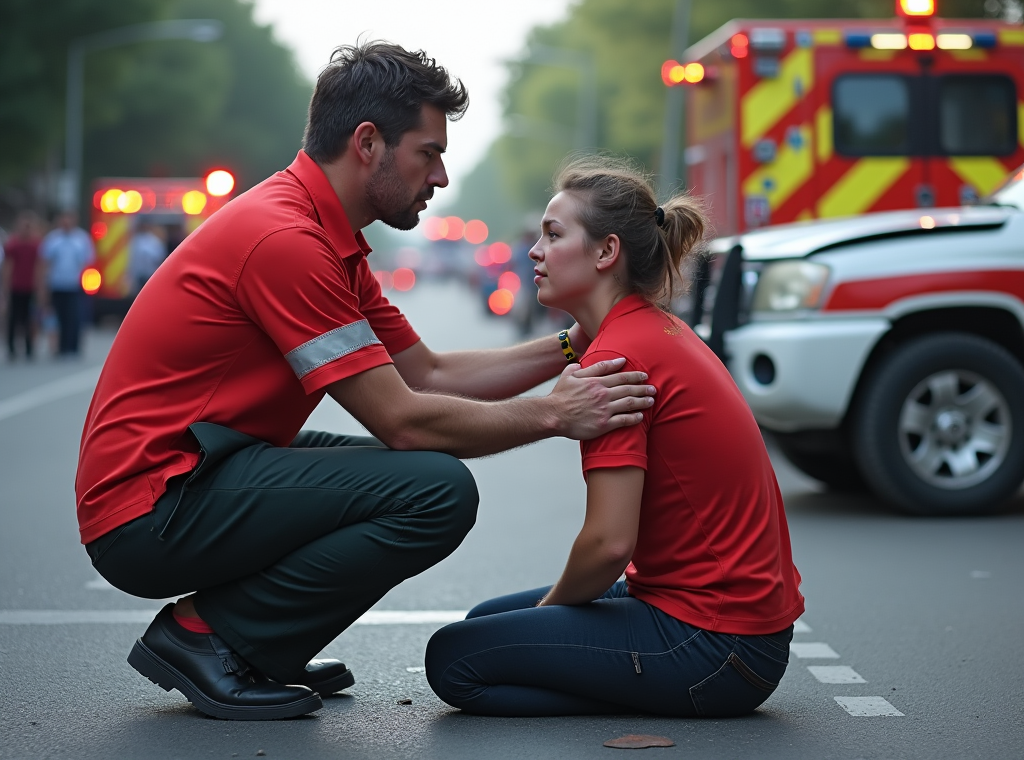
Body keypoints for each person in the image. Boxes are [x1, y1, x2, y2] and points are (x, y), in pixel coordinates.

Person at [76, 42, 654, 722]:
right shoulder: (285, 241)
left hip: (203, 470)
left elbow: (431, 373)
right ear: (369, 143)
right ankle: (206, 638)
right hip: (151, 507)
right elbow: (403, 420)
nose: (439, 176)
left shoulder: (328, 240)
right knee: (434, 490)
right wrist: (555, 415)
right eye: (428, 153)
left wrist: (573, 342)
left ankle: (258, 643)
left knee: (412, 476)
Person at [425, 155, 804, 718]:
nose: (533, 250)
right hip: (735, 630)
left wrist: (550, 617)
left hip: (717, 648)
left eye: (553, 235)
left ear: (606, 252)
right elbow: (445, 374)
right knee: (485, 624)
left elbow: (609, 545)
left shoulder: (616, 358)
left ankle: (621, 698)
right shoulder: (645, 324)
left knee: (452, 660)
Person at [39, 211, 94, 356]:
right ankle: (61, 347)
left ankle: (73, 346)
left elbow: (88, 262)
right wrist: (44, 285)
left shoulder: (82, 239)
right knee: (59, 317)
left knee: (74, 317)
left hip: (74, 285)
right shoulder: (53, 239)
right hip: (57, 284)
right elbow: (45, 262)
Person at [2, 211, 42, 360]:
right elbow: (8, 266)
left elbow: (40, 266)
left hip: (30, 287)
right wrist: (5, 286)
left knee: (29, 318)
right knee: (13, 318)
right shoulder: (13, 244)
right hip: (16, 286)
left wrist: (40, 287)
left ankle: (29, 347)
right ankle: (11, 348)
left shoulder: (36, 245)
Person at [127, 220, 167, 293]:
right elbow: (159, 257)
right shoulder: (152, 241)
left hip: (144, 274)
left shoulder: (138, 240)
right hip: (145, 274)